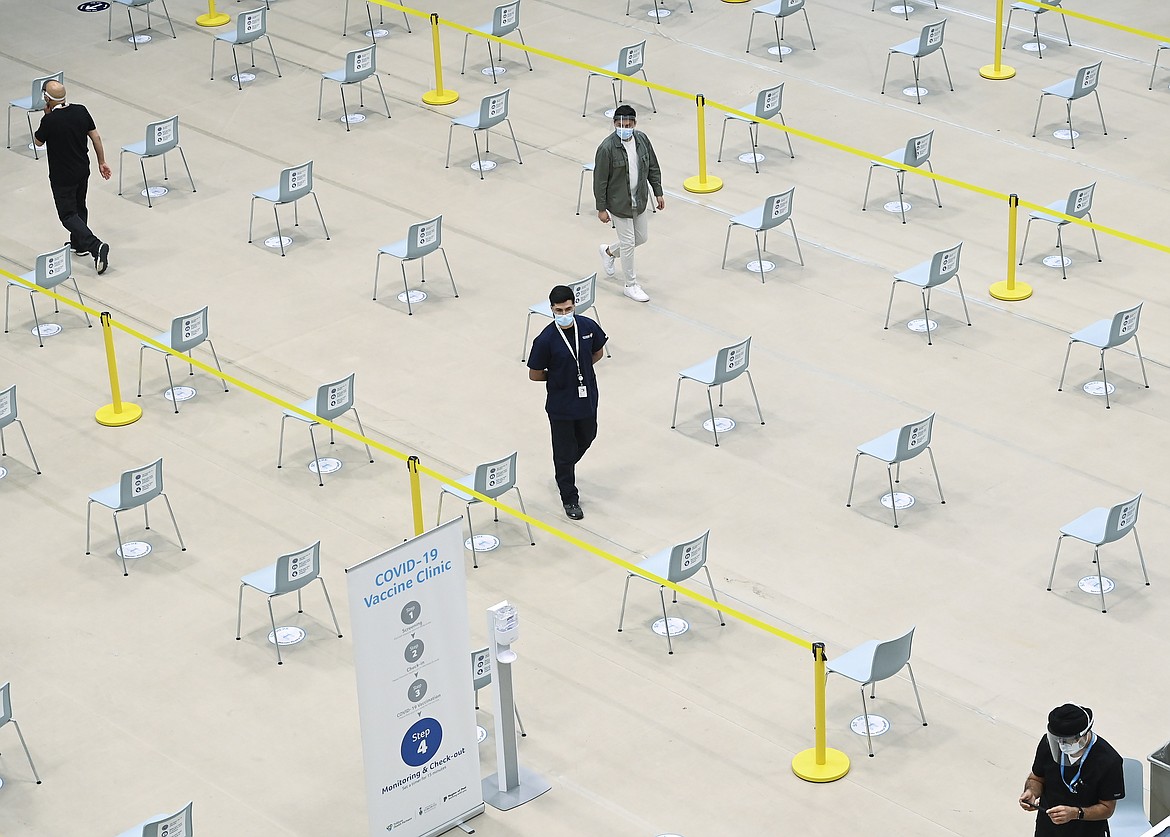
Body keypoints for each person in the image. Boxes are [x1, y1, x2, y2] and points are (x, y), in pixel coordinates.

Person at [527, 285, 608, 520]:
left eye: (569, 309)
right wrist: (559, 377)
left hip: (586, 398)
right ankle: (569, 497)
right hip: (561, 405)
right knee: (563, 453)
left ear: (575, 305)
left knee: (588, 436)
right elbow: (534, 373)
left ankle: (564, 469)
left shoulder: (587, 326)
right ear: (551, 309)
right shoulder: (546, 339)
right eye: (559, 310)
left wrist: (579, 371)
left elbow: (598, 352)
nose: (565, 314)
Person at [33, 80, 111, 275]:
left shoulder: (50, 121)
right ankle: (79, 244)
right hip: (82, 169)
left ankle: (95, 246)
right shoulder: (81, 111)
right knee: (79, 206)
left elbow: (38, 141)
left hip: (62, 176)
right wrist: (102, 161)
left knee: (67, 215)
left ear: (47, 98)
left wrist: (46, 117)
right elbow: (96, 137)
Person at [593, 104, 664, 304]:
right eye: (620, 124)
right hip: (618, 203)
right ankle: (630, 285)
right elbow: (600, 180)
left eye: (628, 124)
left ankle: (608, 252)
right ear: (614, 124)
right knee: (628, 243)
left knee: (640, 238)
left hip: (639, 199)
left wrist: (658, 192)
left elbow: (652, 166)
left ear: (634, 124)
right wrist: (601, 208)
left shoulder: (642, 140)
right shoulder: (606, 148)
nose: (624, 127)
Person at [1019, 704, 1124, 836]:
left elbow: (1107, 808)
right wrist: (1031, 792)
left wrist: (1075, 813)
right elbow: (1036, 778)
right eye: (1057, 740)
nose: (1061, 745)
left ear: (1083, 735)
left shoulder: (1108, 761)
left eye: (1067, 741)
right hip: (1048, 827)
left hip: (1085, 830)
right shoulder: (1048, 745)